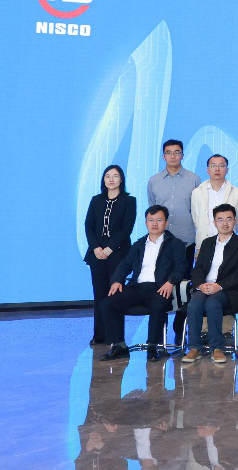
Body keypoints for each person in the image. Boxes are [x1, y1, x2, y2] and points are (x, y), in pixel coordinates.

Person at [99, 205, 189, 362]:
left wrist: (170, 282)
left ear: (166, 223)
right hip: (137, 288)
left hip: (159, 288)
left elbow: (181, 267)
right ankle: (119, 346)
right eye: (151, 220)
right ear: (146, 223)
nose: (155, 224)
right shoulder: (139, 244)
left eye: (159, 220)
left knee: (159, 304)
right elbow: (125, 265)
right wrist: (117, 280)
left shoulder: (175, 244)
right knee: (107, 304)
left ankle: (153, 347)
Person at [146, 138, 201, 343]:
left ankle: (180, 330)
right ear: (163, 156)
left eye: (177, 152)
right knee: (161, 286)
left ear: (182, 155)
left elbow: (197, 211)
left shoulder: (194, 179)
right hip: (162, 244)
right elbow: (152, 211)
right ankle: (159, 334)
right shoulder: (154, 181)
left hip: (186, 240)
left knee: (183, 287)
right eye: (169, 152)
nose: (173, 156)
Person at [182, 204, 238, 363]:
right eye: (220, 220)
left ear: (235, 221)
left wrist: (218, 286)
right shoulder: (207, 243)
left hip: (227, 291)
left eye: (229, 219)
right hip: (204, 287)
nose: (224, 223)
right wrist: (200, 285)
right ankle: (194, 348)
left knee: (213, 303)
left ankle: (217, 348)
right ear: (214, 222)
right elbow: (198, 269)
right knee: (194, 303)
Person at [84, 164, 136, 346]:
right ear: (103, 180)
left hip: (118, 254)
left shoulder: (129, 201)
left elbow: (126, 229)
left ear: (121, 179)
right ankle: (99, 335)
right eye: (107, 176)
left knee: (114, 295)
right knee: (99, 294)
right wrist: (96, 248)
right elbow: (89, 226)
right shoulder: (96, 200)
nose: (111, 179)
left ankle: (116, 337)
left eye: (115, 176)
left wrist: (109, 249)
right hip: (96, 254)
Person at [190, 154, 238, 246]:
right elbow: (196, 219)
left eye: (221, 166)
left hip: (229, 244)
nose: (217, 169)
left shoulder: (236, 192)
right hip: (204, 244)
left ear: (227, 170)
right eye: (213, 166)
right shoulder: (197, 192)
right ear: (207, 170)